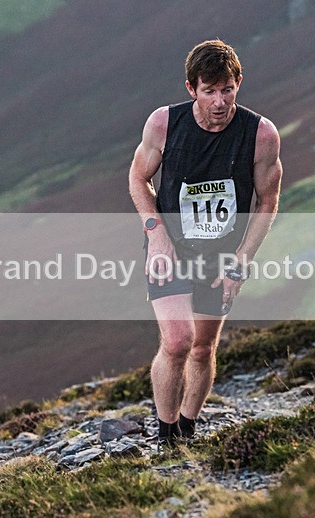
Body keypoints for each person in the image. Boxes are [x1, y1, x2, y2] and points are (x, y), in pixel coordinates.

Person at [128, 39, 282, 448]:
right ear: (191, 88)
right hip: (171, 248)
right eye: (209, 90)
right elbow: (137, 178)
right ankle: (166, 438)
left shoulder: (261, 134)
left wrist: (242, 260)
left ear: (238, 83)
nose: (219, 101)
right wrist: (155, 233)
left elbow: (267, 200)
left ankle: (189, 426)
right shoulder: (163, 124)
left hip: (221, 254)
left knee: (202, 347)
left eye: (227, 89)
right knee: (178, 341)